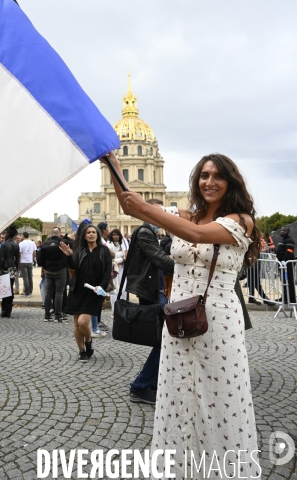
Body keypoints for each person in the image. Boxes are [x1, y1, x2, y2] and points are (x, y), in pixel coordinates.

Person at [102, 151, 260, 478]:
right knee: (178, 392)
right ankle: (181, 469)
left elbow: (198, 236)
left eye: (217, 176)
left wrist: (147, 208)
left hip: (217, 320)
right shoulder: (189, 215)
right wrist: (115, 167)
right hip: (178, 317)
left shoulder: (240, 221)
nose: (209, 181)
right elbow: (129, 207)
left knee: (220, 397)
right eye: (204, 175)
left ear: (230, 182)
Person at [123, 209, 174, 405]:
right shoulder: (145, 232)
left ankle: (150, 381)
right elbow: (159, 259)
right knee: (165, 339)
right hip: (151, 290)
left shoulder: (149, 232)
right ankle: (141, 386)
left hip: (154, 288)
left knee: (162, 338)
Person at [59, 224, 112, 362]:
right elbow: (73, 266)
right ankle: (82, 350)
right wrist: (69, 256)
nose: (91, 234)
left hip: (94, 292)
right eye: (88, 232)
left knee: (83, 322)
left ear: (98, 235)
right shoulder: (79, 250)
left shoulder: (104, 251)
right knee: (76, 324)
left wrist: (102, 287)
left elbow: (107, 272)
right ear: (84, 235)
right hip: (78, 289)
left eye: (94, 232)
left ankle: (88, 340)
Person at [37, 228, 68, 322]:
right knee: (59, 293)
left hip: (49, 271)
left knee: (49, 293)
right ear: (59, 234)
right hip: (60, 270)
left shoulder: (44, 244)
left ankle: (47, 315)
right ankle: (58, 315)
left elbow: (39, 260)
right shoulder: (63, 243)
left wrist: (45, 267)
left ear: (50, 234)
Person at [106, 228, 127, 315]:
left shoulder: (122, 244)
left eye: (117, 235)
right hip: (113, 270)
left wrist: (120, 259)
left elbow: (125, 256)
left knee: (124, 289)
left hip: (122, 269)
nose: (115, 237)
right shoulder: (109, 245)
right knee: (114, 290)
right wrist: (121, 259)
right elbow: (110, 259)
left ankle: (123, 307)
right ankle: (114, 310)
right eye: (114, 235)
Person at [276, 226, 296, 304]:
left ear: (288, 231)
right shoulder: (283, 240)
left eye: (284, 230)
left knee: (289, 281)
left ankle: (291, 299)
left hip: (287, 264)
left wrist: (284, 260)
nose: (282, 232)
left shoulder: (289, 240)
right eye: (281, 230)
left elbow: (289, 251)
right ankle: (284, 297)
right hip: (282, 264)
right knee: (284, 281)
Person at [19, 232, 37, 297]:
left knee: (25, 277)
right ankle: (30, 290)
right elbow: (34, 253)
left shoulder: (21, 244)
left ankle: (27, 292)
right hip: (30, 261)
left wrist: (19, 262)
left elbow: (19, 253)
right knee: (30, 277)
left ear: (23, 236)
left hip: (23, 261)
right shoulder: (32, 243)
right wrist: (32, 258)